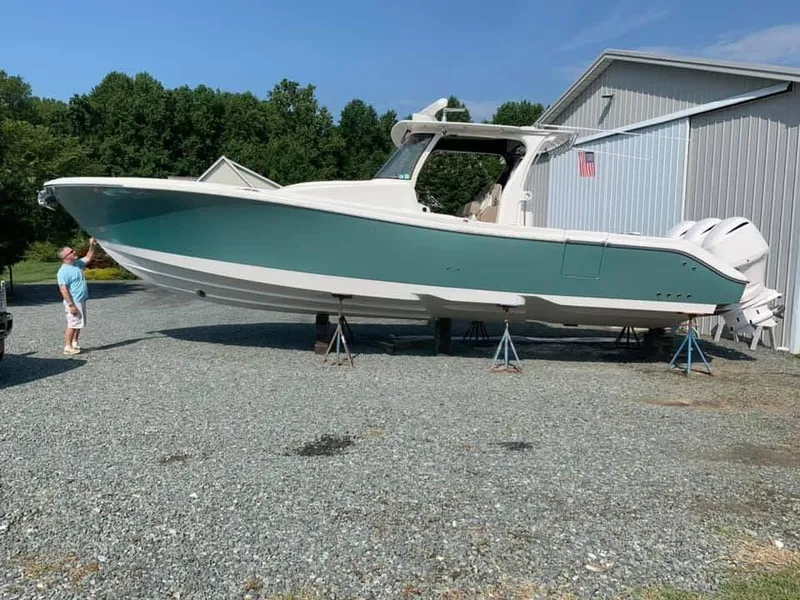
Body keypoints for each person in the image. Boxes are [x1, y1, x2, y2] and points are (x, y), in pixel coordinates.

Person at [57, 238, 96, 355]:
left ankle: (75, 342)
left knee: (79, 323)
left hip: (81, 299)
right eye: (71, 251)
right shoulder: (63, 271)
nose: (74, 252)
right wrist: (71, 305)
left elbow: (89, 257)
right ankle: (67, 347)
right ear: (66, 256)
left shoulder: (77, 264)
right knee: (72, 324)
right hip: (73, 301)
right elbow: (63, 289)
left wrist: (92, 245)